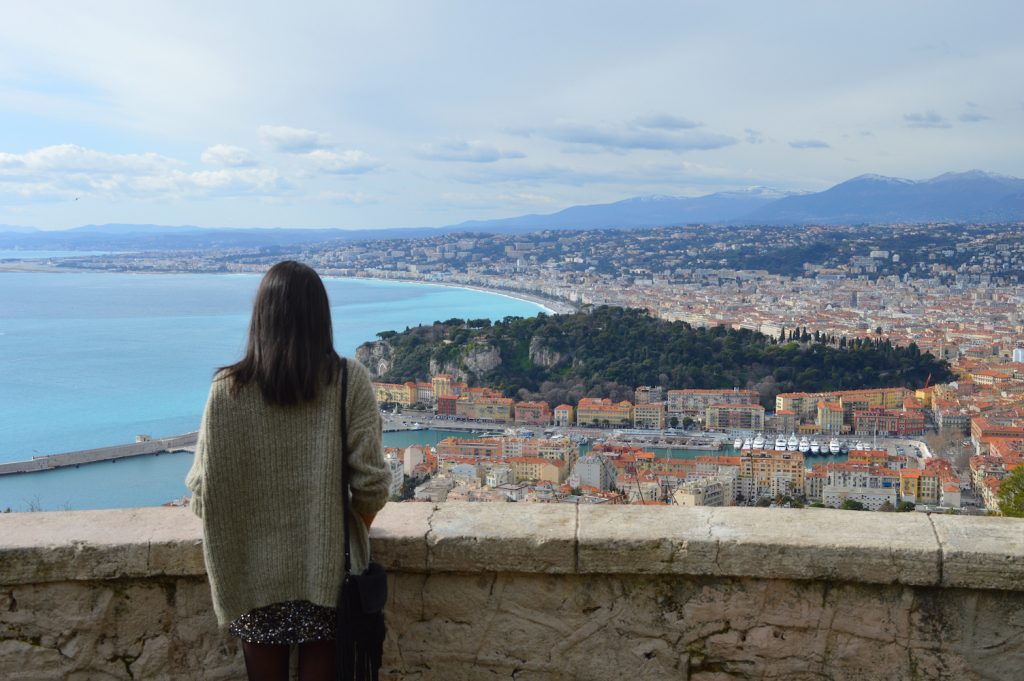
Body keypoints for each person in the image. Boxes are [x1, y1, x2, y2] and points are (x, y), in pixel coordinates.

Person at [186, 260, 391, 681]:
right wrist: (342, 534)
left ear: (260, 317)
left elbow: (203, 492)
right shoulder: (348, 380)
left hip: (248, 578)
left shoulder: (225, 390)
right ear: (321, 316)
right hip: (327, 576)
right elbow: (371, 485)